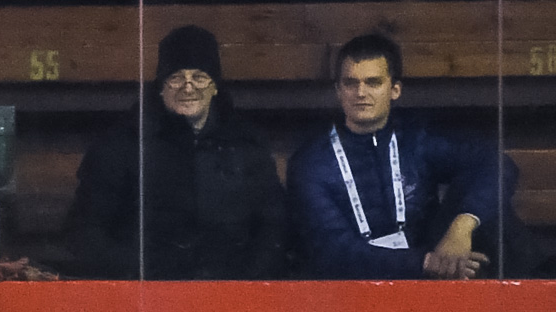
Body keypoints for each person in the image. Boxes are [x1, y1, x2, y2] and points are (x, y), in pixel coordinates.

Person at [289, 33, 539, 280]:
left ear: (395, 89)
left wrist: (462, 226)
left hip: (434, 271)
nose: (361, 92)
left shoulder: (416, 137)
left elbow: (497, 163)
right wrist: (426, 262)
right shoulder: (311, 162)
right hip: (356, 286)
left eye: (373, 82)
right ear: (338, 91)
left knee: (485, 203)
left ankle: (541, 294)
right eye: (351, 83)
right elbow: (334, 252)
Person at [67, 25, 286, 280]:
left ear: (215, 87)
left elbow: (273, 227)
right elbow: (85, 230)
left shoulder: (246, 145)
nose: (188, 88)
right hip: (147, 291)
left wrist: (245, 283)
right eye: (176, 78)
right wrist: (141, 276)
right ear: (161, 87)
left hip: (230, 290)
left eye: (199, 77)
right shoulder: (122, 144)